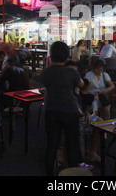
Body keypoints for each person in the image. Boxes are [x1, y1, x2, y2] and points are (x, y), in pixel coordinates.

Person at [41, 41, 84, 176]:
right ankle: (73, 174)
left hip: (51, 110)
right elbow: (82, 85)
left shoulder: (46, 72)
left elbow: (46, 85)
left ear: (51, 55)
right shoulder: (71, 72)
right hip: (70, 111)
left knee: (52, 145)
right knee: (72, 145)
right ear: (66, 56)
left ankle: (49, 174)